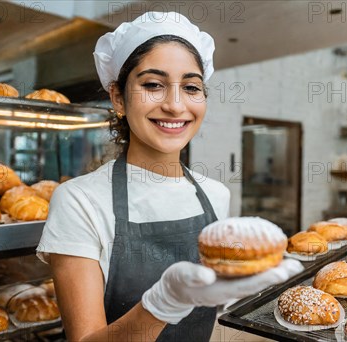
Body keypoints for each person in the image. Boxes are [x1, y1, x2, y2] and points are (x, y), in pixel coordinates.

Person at [37, 12, 302, 342]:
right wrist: (163, 303)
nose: (176, 106)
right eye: (153, 85)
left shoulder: (216, 194)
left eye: (191, 87)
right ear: (118, 97)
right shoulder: (79, 201)